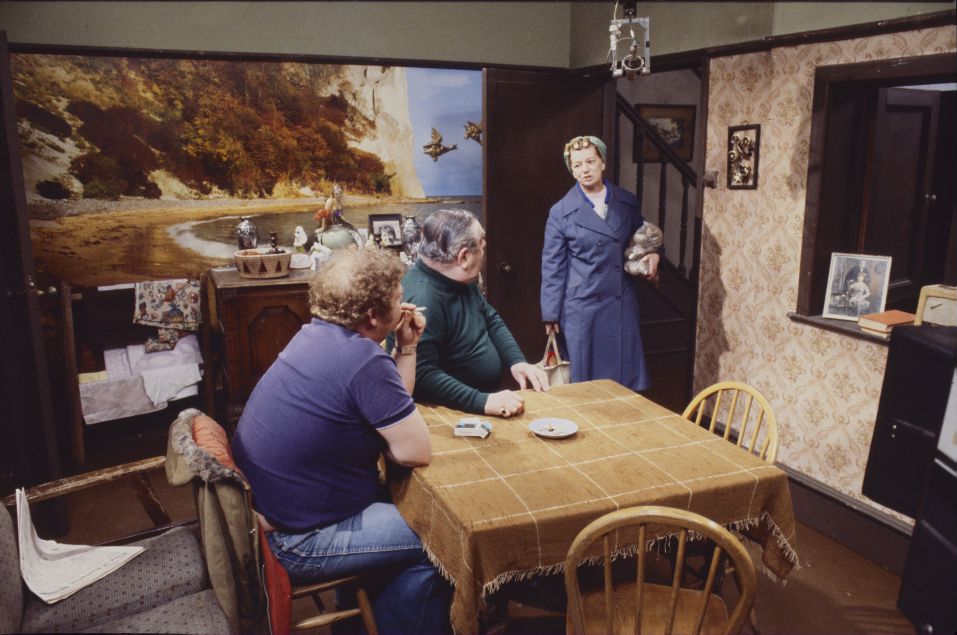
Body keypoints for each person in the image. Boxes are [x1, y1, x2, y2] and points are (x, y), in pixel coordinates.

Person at [231, 248, 451, 635]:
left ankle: (362, 625)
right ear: (372, 315)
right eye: (398, 299)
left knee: (409, 514)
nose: (404, 306)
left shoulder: (315, 334)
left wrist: (407, 347)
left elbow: (389, 410)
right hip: (297, 540)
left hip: (273, 515)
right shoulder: (363, 359)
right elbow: (414, 451)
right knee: (442, 537)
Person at [394, 208, 548, 417]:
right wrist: (481, 401)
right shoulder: (423, 298)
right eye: (481, 242)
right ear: (464, 257)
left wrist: (516, 361)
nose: (485, 246)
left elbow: (490, 318)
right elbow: (422, 375)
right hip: (452, 412)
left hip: (478, 400)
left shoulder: (458, 277)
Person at [541, 135, 660, 391]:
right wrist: (550, 313)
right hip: (582, 308)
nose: (584, 170)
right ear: (571, 170)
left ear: (602, 162)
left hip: (620, 304)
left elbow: (642, 239)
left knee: (624, 383)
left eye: (590, 162)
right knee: (586, 385)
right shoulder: (560, 212)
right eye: (577, 165)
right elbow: (553, 266)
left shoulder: (627, 203)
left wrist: (653, 253)